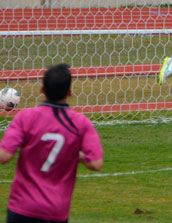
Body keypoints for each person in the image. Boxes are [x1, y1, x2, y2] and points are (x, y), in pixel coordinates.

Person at [0, 64, 103, 223]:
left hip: (21, 208)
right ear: (69, 93)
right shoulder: (81, 123)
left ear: (42, 90)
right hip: (55, 212)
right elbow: (96, 163)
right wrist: (76, 153)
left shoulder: (25, 118)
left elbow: (4, 156)